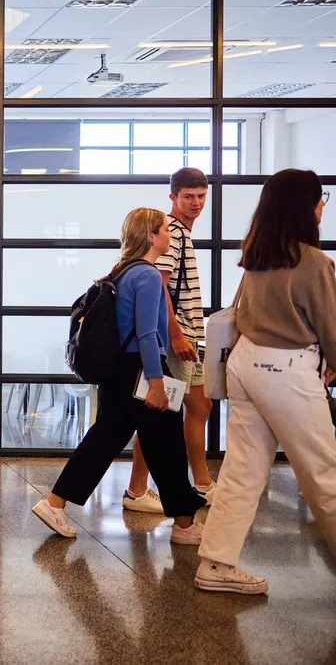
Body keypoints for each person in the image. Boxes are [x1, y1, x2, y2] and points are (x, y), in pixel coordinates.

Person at [195, 169, 336, 595]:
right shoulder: (313, 262)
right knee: (323, 473)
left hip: (245, 365)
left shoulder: (256, 254)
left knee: (242, 470)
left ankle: (216, 564)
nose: (323, 203)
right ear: (308, 206)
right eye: (321, 196)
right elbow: (330, 326)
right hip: (286, 372)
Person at [32, 207, 206, 543]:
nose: (169, 235)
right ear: (152, 236)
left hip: (120, 371)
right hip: (141, 371)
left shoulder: (123, 271)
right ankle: (184, 525)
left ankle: (55, 503)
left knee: (109, 438)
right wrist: (156, 382)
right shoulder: (149, 276)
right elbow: (145, 334)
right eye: (164, 231)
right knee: (167, 444)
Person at [123, 168, 217, 515]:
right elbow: (158, 285)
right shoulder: (171, 232)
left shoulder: (179, 233)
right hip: (178, 338)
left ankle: (141, 488)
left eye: (201, 196)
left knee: (185, 409)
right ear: (173, 197)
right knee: (184, 408)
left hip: (186, 335)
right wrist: (175, 334)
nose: (196, 203)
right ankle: (200, 484)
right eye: (188, 196)